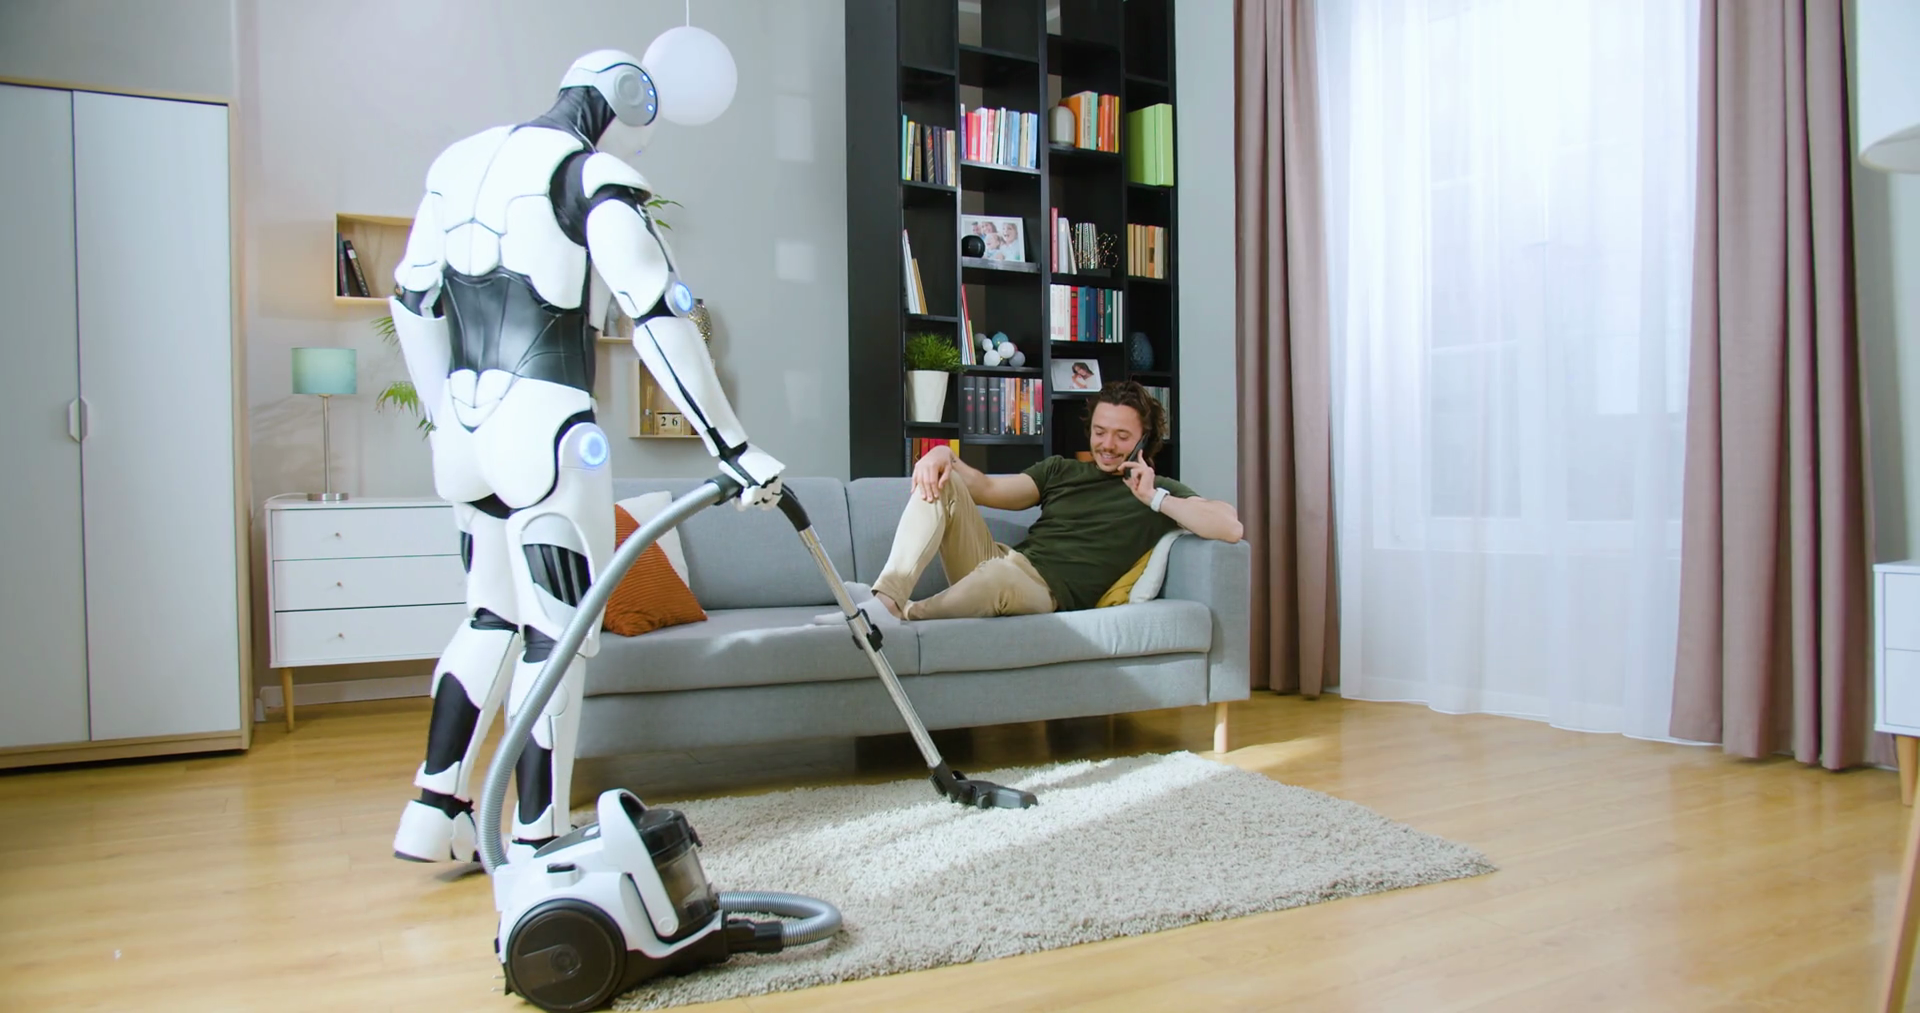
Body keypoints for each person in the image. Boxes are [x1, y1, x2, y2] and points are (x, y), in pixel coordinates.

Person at [853, 380, 1242, 623]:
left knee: (998, 578)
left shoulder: (1157, 492)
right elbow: (986, 489)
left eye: (1122, 436)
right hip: (1000, 561)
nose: (1107, 445)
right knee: (946, 481)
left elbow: (1229, 526)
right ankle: (886, 598)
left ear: (1144, 439)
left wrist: (1154, 498)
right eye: (1100, 431)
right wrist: (941, 455)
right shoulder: (1060, 470)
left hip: (1044, 592)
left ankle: (901, 615)